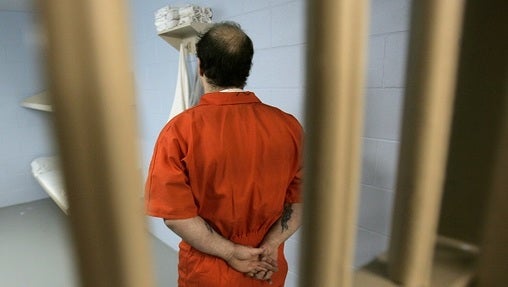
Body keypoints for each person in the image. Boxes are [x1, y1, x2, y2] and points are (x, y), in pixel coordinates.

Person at [145, 21, 303, 287]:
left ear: (201, 67)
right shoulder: (289, 126)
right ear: (246, 68)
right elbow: (301, 200)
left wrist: (232, 252)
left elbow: (176, 217)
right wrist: (269, 245)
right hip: (267, 266)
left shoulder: (179, 132)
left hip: (208, 271)